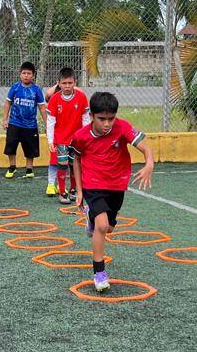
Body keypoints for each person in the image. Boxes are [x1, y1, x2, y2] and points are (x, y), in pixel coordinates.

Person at [70, 91, 155, 293]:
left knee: (108, 229)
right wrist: (79, 191)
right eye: (102, 119)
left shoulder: (122, 127)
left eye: (111, 118)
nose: (107, 123)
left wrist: (149, 163)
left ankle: (92, 219)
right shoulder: (81, 136)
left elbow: (145, 148)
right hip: (92, 184)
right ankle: (99, 273)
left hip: (117, 185)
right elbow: (76, 160)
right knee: (101, 225)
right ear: (91, 116)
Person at [45, 67, 89, 203]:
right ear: (58, 83)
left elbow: (86, 119)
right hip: (61, 140)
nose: (67, 86)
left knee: (74, 164)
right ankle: (62, 192)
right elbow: (50, 122)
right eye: (64, 83)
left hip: (76, 140)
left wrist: (86, 137)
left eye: (70, 83)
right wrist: (50, 140)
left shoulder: (82, 97)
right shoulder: (54, 99)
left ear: (75, 82)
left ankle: (73, 190)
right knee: (62, 164)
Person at [2, 61, 46, 181]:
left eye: (29, 73)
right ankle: (12, 167)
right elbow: (7, 103)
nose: (26, 75)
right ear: (20, 74)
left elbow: (42, 107)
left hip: (30, 126)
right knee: (11, 146)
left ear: (33, 75)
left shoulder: (36, 90)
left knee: (30, 148)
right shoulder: (15, 87)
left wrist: (47, 124)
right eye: (24, 73)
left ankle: (29, 169)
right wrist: (5, 119)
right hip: (14, 123)